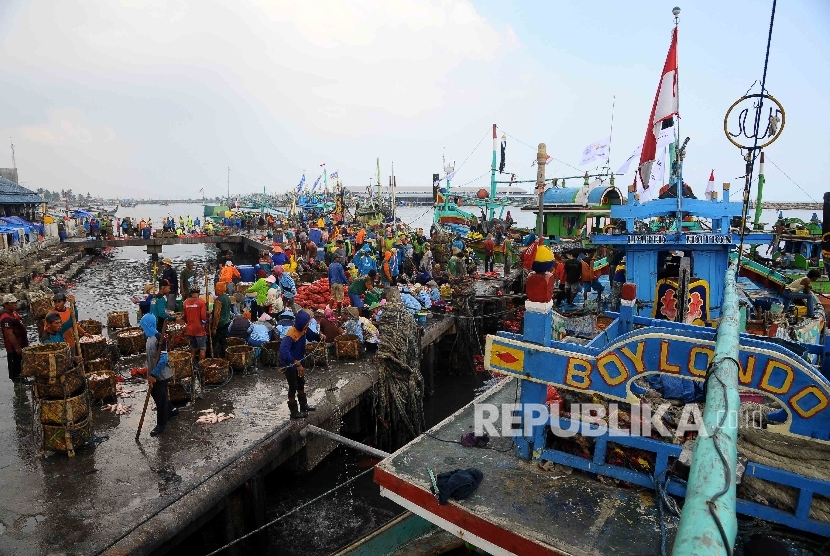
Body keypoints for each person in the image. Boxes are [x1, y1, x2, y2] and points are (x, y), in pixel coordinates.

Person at [140, 313, 177, 437]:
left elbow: (163, 359)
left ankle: (161, 424)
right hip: (153, 374)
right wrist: (148, 373)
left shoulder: (159, 338)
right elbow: (150, 357)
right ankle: (171, 410)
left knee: (160, 400)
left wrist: (154, 374)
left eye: (143, 325)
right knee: (155, 395)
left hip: (161, 374)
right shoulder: (149, 337)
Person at [278, 310, 315, 419]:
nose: (307, 325)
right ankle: (294, 412)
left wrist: (320, 336)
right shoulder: (291, 335)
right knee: (293, 386)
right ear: (301, 323)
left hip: (299, 362)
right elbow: (284, 352)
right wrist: (295, 362)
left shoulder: (303, 330)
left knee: (301, 383)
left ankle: (304, 406)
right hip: (289, 364)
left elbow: (312, 336)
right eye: (307, 323)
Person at [1, 295, 28, 381]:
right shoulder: (6, 318)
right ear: (6, 304)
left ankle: (23, 380)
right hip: (14, 349)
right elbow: (9, 334)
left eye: (16, 302)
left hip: (22, 344)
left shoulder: (14, 313)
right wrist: (17, 348)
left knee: (22, 366)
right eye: (12, 303)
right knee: (15, 371)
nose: (15, 304)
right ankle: (18, 387)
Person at [183, 286, 208, 364]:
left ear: (190, 293)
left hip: (190, 329)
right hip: (199, 330)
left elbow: (185, 316)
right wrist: (208, 314)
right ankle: (201, 367)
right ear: (199, 293)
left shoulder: (185, 302)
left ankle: (190, 366)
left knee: (193, 349)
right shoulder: (201, 302)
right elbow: (203, 317)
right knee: (202, 349)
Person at [211, 282, 233, 358]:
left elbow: (217, 315)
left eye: (215, 288)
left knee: (214, 341)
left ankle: (215, 357)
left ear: (218, 289)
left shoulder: (218, 300)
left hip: (220, 324)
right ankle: (226, 355)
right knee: (223, 340)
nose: (215, 290)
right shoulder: (227, 297)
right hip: (226, 321)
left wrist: (214, 328)